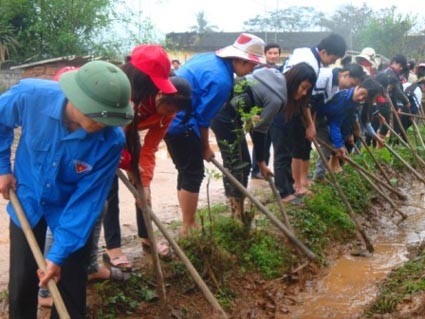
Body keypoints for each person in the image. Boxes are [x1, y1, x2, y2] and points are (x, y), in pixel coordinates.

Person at [0, 60, 133, 319]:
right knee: (23, 279)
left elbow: (86, 203)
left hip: (70, 209)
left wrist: (57, 256)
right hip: (28, 197)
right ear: (79, 99)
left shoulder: (110, 141)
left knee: (71, 281)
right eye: (99, 115)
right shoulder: (31, 96)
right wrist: (2, 166)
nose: (104, 125)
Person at [101, 45, 192, 271]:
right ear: (159, 95)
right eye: (168, 110)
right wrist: (127, 163)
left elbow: (150, 147)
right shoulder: (129, 95)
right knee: (109, 189)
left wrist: (145, 181)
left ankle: (147, 236)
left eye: (174, 113)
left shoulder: (168, 113)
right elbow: (114, 135)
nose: (169, 116)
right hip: (106, 135)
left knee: (142, 191)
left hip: (129, 136)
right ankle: (113, 247)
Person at [164, 33, 266, 236]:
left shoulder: (207, 58)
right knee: (193, 174)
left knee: (186, 172)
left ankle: (187, 222)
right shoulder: (221, 81)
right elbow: (203, 120)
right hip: (182, 125)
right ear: (238, 59)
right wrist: (205, 147)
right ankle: (189, 225)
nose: (251, 70)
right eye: (250, 65)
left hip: (168, 120)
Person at [211, 66, 285, 217]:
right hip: (222, 114)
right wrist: (262, 163)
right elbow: (259, 131)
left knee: (242, 162)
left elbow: (253, 127)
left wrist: (261, 163)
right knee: (237, 163)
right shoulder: (276, 99)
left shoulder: (275, 85)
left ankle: (238, 210)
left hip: (230, 113)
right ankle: (236, 211)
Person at [283, 33, 347, 196]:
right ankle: (294, 186)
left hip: (293, 105)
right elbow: (305, 98)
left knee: (301, 146)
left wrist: (311, 123)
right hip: (290, 106)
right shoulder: (310, 64)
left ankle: (300, 182)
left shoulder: (308, 55)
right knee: (294, 147)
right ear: (324, 52)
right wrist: (310, 124)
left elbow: (308, 99)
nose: (333, 62)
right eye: (333, 58)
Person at [270, 62, 317, 204]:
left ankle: (289, 188)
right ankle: (284, 193)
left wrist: (310, 125)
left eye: (307, 90)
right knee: (282, 152)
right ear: (294, 80)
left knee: (288, 151)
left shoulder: (295, 97)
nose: (303, 93)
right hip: (272, 114)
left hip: (284, 116)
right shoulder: (279, 90)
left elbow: (304, 104)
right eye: (303, 88)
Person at [315, 77, 382, 158]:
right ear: (358, 86)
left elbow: (344, 121)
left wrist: (348, 135)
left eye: (364, 98)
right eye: (361, 93)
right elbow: (335, 123)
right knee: (327, 147)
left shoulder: (353, 104)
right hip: (315, 117)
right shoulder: (342, 97)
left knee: (330, 148)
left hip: (326, 121)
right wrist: (339, 145)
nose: (360, 98)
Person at [251, 42, 283, 179]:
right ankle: (256, 169)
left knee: (270, 140)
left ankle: (264, 168)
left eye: (275, 53)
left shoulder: (280, 71)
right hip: (260, 110)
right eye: (270, 53)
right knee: (260, 138)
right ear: (265, 54)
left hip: (274, 111)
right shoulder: (257, 69)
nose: (273, 56)